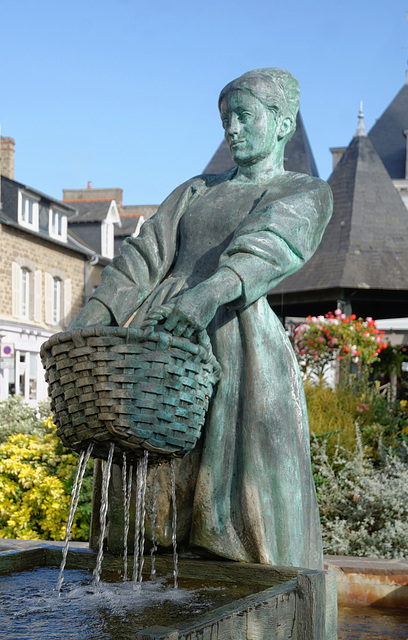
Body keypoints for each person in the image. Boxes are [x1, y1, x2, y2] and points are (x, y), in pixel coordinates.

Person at [70, 68, 332, 569]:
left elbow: (270, 245)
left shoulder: (303, 191)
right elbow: (143, 256)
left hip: (237, 337)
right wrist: (96, 314)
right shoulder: (195, 189)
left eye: (243, 116)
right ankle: (146, 561)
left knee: (238, 478)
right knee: (147, 451)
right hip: (161, 333)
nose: (232, 129)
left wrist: (208, 294)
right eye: (225, 119)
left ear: (282, 123)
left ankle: (243, 567)